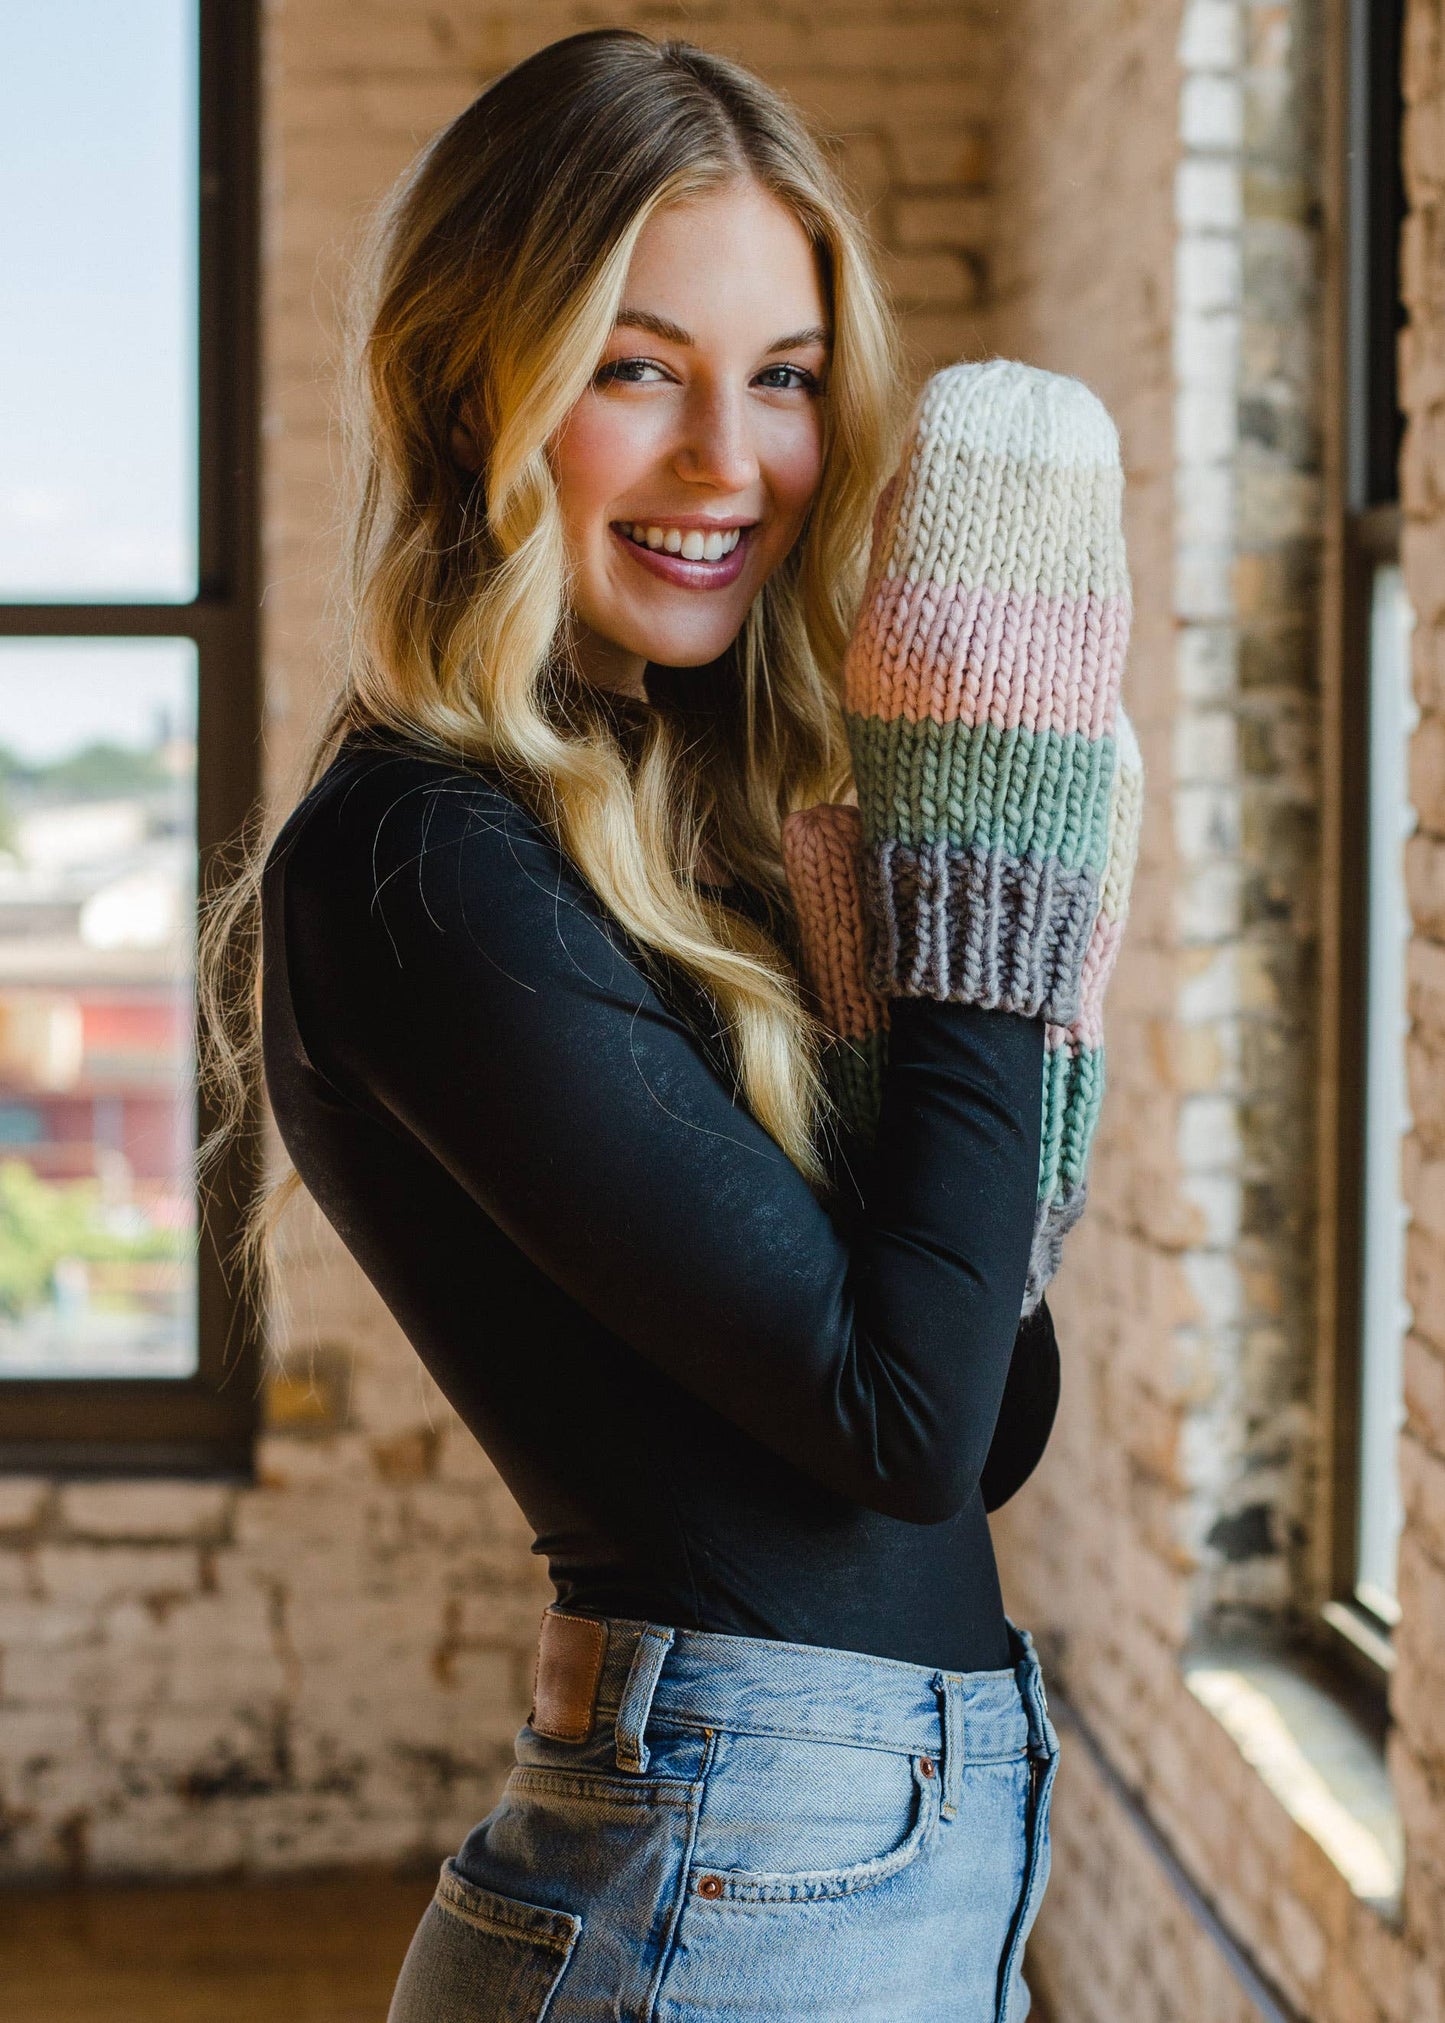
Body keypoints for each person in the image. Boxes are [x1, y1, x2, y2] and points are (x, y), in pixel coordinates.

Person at [210, 28, 1139, 2021]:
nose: (734, 459)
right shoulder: (420, 865)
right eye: (639, 367)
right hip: (731, 1900)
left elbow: (993, 1416)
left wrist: (1004, 985)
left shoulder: (703, 841)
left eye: (785, 379)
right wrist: (984, 847)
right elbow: (905, 1428)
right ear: (478, 382)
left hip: (818, 1874)